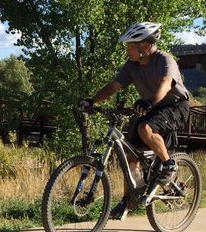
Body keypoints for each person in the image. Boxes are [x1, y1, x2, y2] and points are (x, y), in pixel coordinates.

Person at [79, 21, 191, 221]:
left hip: (175, 107)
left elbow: (166, 83)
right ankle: (130, 198)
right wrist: (91, 100)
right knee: (130, 155)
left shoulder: (165, 60)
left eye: (131, 46)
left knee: (145, 127)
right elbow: (114, 86)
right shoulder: (132, 65)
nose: (127, 50)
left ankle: (169, 165)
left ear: (146, 47)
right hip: (151, 107)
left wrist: (149, 101)